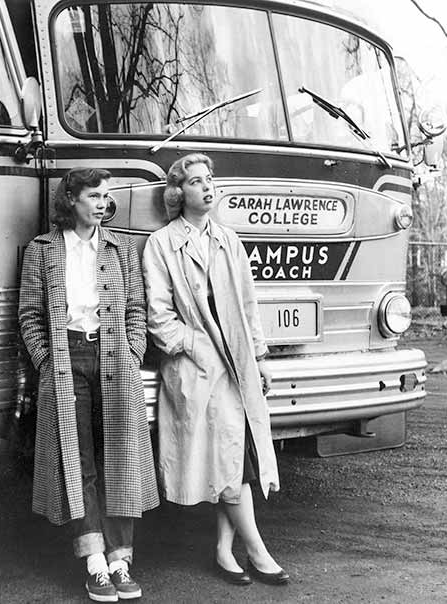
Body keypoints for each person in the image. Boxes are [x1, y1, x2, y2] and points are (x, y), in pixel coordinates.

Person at [142, 153, 289, 586]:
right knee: (229, 458)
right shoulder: (162, 244)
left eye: (210, 179)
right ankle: (258, 551)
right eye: (196, 181)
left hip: (236, 364)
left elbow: (247, 305)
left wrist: (259, 358)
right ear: (178, 193)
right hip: (197, 368)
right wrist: (193, 345)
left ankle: (225, 551)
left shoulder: (229, 239)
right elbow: (158, 315)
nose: (208, 187)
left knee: (235, 455)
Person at [18, 168, 159, 602]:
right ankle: (95, 563)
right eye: (94, 196)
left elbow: (137, 307)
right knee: (78, 460)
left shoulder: (121, 248)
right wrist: (47, 361)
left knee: (120, 457)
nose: (102, 203)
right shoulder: (43, 250)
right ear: (71, 199)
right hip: (67, 359)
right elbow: (28, 316)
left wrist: (132, 350)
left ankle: (121, 560)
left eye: (106, 196)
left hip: (115, 356)